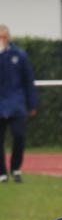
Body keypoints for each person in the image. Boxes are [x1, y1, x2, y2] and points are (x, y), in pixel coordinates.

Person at [0, 24, 37, 183]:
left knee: (19, 136)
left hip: (16, 103)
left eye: (4, 36)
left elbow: (28, 80)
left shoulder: (19, 55)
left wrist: (32, 104)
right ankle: (1, 173)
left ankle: (16, 168)